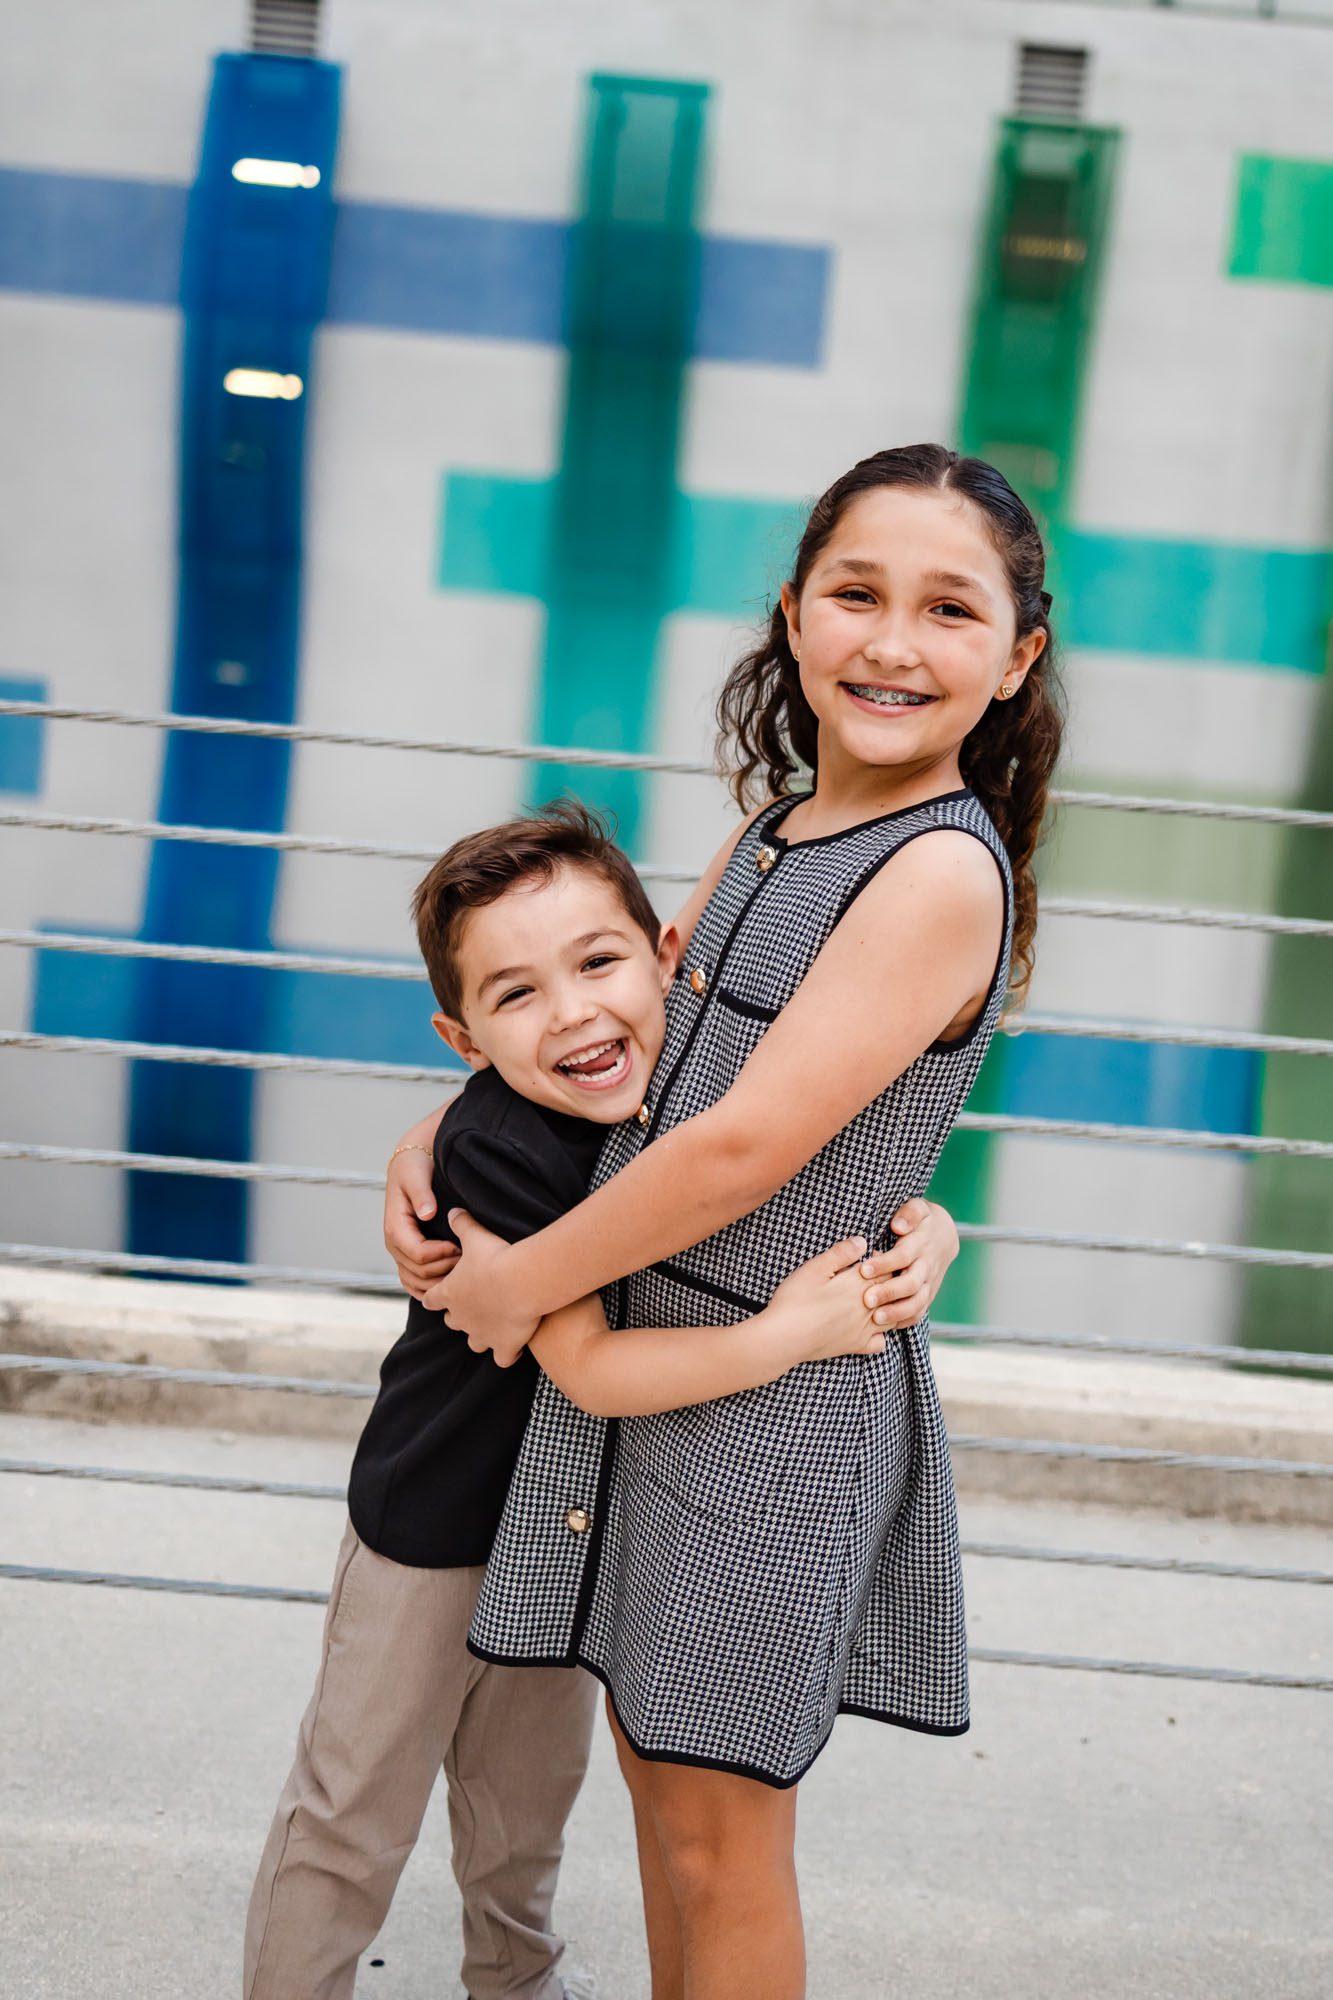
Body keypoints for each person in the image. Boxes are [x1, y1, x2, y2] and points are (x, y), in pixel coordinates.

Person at [384, 444, 1064, 2000]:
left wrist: (518, 1284)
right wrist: (431, 1142)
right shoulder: (777, 831)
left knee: (720, 1843)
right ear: (794, 612)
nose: (893, 644)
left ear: (1016, 657)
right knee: (661, 1794)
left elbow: (742, 1147)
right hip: (656, 1375)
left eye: (949, 610)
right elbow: (633, 1063)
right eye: (857, 594)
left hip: (772, 1404)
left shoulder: (936, 871)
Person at [245, 804, 962, 2000]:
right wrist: (790, 1333)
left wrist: (928, 1224)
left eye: (597, 961)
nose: (573, 1012)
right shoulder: (497, 1151)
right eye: (516, 993)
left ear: (670, 957)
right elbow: (589, 1367)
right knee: (353, 1803)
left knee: (525, 1803)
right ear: (461, 1036)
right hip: (437, 1519)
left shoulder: (688, 1100)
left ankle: (516, 1979)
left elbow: (823, 1157)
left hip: (574, 1525)